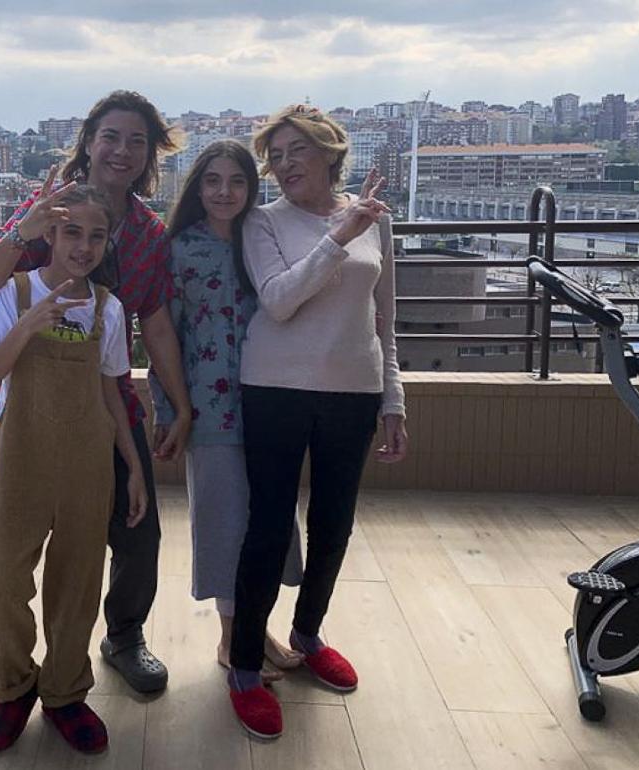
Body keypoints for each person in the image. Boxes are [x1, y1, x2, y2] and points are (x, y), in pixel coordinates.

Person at [0, 90, 192, 701]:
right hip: (21, 402)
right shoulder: (47, 207)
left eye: (138, 141)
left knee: (137, 528)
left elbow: (155, 322)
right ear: (89, 141)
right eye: (111, 136)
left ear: (150, 155)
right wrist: (27, 227)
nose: (122, 151)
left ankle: (123, 636)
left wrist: (179, 402)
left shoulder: (145, 232)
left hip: (104, 398)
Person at [226, 105, 409, 740]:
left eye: (295, 150)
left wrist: (393, 400)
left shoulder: (373, 219)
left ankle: (307, 633)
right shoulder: (262, 222)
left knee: (335, 524)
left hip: (353, 392)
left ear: (330, 152)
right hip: (274, 388)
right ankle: (245, 665)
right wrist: (338, 236)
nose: (282, 165)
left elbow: (384, 319)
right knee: (269, 529)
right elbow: (277, 301)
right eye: (274, 156)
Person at [0, 185, 146, 754]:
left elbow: (111, 393)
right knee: (3, 584)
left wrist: (133, 467)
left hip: (86, 466)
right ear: (49, 233)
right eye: (72, 232)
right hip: (20, 460)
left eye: (97, 236)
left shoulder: (109, 308)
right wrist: (28, 325)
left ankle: (66, 693)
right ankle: (13, 686)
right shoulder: (15, 294)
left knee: (77, 584)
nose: (84, 246)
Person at [149, 140, 305, 683]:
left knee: (270, 518)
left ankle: (254, 627)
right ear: (197, 187)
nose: (223, 192)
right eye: (212, 181)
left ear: (251, 187)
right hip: (208, 410)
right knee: (223, 522)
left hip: (269, 401)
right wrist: (168, 407)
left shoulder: (264, 241)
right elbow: (163, 330)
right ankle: (231, 634)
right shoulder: (179, 248)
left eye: (236, 181)